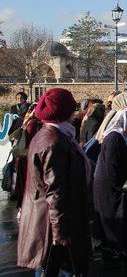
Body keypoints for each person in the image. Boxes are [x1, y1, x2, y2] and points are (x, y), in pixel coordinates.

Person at [17, 88, 92, 276]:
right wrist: (59, 232)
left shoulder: (50, 135)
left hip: (51, 221)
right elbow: (54, 191)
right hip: (52, 227)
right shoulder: (54, 141)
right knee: (56, 269)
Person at [93, 100, 127, 262]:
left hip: (115, 184)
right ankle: (115, 248)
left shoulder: (120, 135)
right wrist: (122, 186)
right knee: (116, 217)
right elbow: (112, 165)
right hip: (111, 187)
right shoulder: (115, 136)